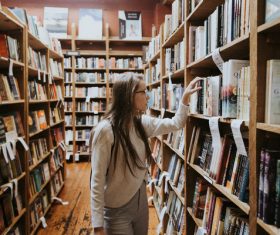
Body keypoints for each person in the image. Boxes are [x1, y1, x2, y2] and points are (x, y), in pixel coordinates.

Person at [90, 72, 202, 235]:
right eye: (144, 92)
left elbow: (176, 123)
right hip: (116, 209)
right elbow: (97, 179)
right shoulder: (105, 131)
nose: (148, 97)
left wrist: (184, 100)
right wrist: (98, 225)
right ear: (129, 96)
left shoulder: (141, 122)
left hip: (140, 201)